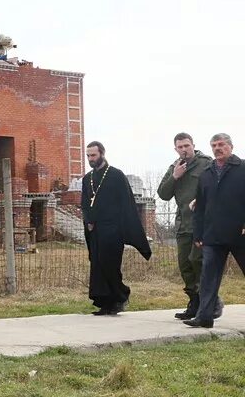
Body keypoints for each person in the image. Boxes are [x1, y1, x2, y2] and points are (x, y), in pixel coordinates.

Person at [81, 141, 152, 315]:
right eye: (88, 156)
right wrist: (88, 220)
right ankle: (105, 302)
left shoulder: (116, 175)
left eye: (94, 155)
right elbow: (84, 203)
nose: (91, 159)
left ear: (102, 154)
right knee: (97, 265)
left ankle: (121, 295)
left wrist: (124, 228)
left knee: (110, 264)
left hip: (113, 229)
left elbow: (126, 203)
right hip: (95, 230)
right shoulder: (87, 178)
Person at [157, 132, 222, 320]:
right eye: (180, 147)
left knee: (199, 262)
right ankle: (194, 302)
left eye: (187, 146)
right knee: (185, 265)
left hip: (202, 223)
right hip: (183, 224)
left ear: (193, 145)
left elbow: (219, 187)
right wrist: (175, 177)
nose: (184, 150)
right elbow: (163, 194)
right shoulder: (174, 167)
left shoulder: (206, 163)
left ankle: (212, 302)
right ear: (175, 149)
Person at [184, 133, 245, 328]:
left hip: (239, 233)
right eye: (214, 145)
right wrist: (198, 234)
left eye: (221, 145)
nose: (217, 148)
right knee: (208, 278)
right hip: (212, 235)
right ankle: (205, 317)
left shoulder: (242, 168)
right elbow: (200, 207)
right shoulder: (207, 174)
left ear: (231, 146)